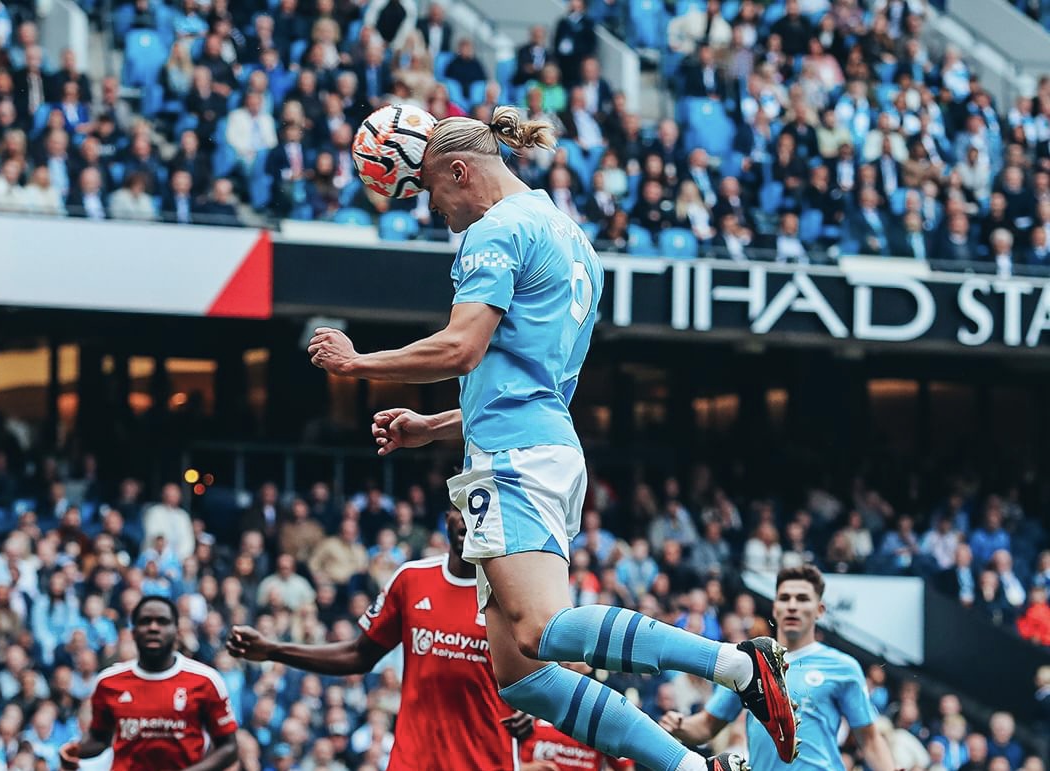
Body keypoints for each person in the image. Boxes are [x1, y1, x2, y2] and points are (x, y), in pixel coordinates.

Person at [304, 105, 798, 771]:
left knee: (539, 628)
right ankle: (691, 767)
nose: (432, 207)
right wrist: (437, 425)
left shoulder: (493, 231)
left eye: (429, 188)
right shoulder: (573, 242)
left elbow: (462, 346)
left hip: (513, 457)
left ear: (459, 170)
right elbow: (536, 383)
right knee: (523, 676)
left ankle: (738, 663)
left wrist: (358, 364)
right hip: (540, 445)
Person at [226, 509, 537, 771]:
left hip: (486, 762)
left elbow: (549, 671)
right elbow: (357, 654)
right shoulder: (411, 579)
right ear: (447, 517)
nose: (471, 519)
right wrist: (272, 650)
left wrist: (537, 708)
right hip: (412, 760)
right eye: (462, 508)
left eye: (481, 509)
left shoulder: (515, 593)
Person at [659, 565, 898, 771]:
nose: (792, 605)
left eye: (802, 599)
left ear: (820, 610)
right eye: (785, 598)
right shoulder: (747, 661)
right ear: (775, 608)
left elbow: (870, 740)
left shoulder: (844, 667)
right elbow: (706, 726)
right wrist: (679, 725)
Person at [59, 596, 239, 770]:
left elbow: (228, 747)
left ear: (176, 631)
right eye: (145, 621)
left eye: (162, 621)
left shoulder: (205, 680)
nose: (153, 627)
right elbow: (100, 739)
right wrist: (76, 750)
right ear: (133, 632)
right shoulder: (109, 682)